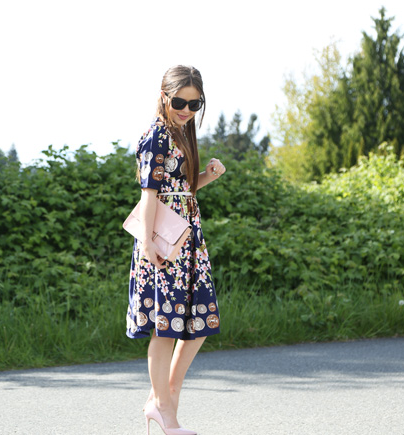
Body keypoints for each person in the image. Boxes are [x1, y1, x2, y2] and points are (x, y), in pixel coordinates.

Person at [126, 65, 226, 435]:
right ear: (164, 96)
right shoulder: (155, 137)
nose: (186, 110)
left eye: (194, 103)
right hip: (164, 244)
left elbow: (182, 189)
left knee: (198, 322)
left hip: (188, 241)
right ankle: (165, 410)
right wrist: (148, 242)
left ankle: (165, 395)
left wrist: (207, 177)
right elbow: (149, 195)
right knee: (164, 327)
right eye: (180, 101)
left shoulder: (181, 133)